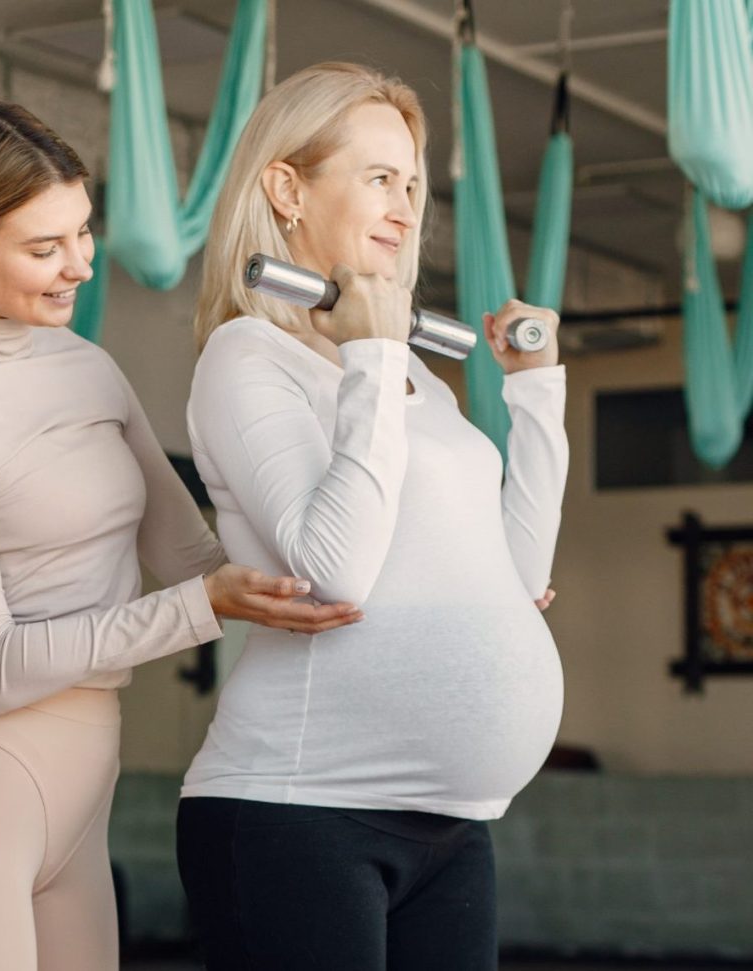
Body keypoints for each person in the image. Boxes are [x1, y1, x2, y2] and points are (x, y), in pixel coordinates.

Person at [0, 100, 363, 971]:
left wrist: (452, 576)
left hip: (81, 805)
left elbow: (201, 558)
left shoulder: (90, 368)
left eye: (83, 232)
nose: (80, 265)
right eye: (44, 247)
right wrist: (201, 607)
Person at [176, 62, 568, 971]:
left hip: (450, 827)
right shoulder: (248, 356)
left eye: (414, 186)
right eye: (380, 178)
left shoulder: (412, 374)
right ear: (287, 189)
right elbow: (334, 573)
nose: (405, 208)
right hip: (300, 808)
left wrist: (536, 394)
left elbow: (519, 574)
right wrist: (373, 358)